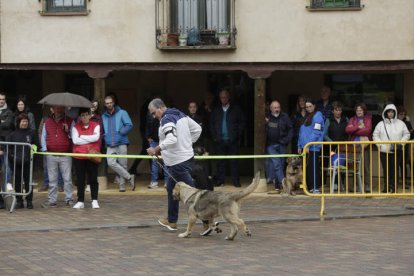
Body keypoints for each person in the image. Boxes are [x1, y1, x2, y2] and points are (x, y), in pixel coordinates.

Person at [146, 98, 201, 231]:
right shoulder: (181, 114)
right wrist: (187, 143)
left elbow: (171, 138)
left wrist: (156, 149)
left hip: (177, 162)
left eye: (154, 113)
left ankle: (208, 221)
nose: (153, 116)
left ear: (160, 108)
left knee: (192, 194)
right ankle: (172, 221)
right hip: (185, 158)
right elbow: (198, 129)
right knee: (171, 189)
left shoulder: (166, 119)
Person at [210, 88, 245, 187]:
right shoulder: (216, 109)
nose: (223, 99)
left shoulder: (236, 109)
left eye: (225, 97)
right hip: (220, 140)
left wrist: (237, 134)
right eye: (221, 97)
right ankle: (220, 180)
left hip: (232, 140)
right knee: (220, 162)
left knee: (234, 162)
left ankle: (235, 181)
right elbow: (211, 124)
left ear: (228, 97)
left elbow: (242, 122)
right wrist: (215, 136)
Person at [41, 105, 74, 208]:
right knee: (52, 179)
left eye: (61, 108)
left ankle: (69, 199)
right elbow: (43, 137)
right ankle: (52, 200)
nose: (59, 110)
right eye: (57, 108)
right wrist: (45, 150)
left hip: (65, 154)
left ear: (64, 109)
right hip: (51, 154)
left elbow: (74, 137)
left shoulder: (70, 121)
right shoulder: (47, 122)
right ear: (53, 109)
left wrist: (68, 130)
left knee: (67, 179)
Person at [373, 104, 410, 193]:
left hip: (397, 150)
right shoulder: (380, 124)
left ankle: (394, 188)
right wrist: (380, 145)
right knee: (386, 170)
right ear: (385, 113)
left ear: (395, 113)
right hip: (384, 151)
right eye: (388, 112)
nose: (390, 113)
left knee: (395, 169)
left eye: (392, 112)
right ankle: (386, 187)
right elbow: (375, 135)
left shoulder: (401, 123)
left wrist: (401, 144)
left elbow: (407, 134)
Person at [102, 94, 135, 192]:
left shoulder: (122, 112)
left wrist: (121, 132)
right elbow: (103, 129)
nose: (109, 105)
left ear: (114, 103)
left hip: (121, 142)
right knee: (111, 163)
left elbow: (129, 125)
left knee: (123, 164)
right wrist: (105, 136)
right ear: (105, 104)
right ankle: (129, 177)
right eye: (107, 103)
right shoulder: (103, 116)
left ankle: (122, 186)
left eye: (110, 103)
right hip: (110, 143)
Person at [71, 108, 102, 209]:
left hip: (92, 156)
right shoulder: (75, 127)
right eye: (82, 115)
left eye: (86, 115)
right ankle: (80, 201)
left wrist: (82, 136)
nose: (84, 117)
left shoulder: (96, 125)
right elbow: (75, 141)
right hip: (79, 156)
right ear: (80, 117)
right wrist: (89, 138)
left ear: (90, 115)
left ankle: (94, 200)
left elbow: (96, 138)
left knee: (93, 178)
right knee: (80, 179)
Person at [6, 113, 36, 209]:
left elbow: (36, 145)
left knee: (28, 182)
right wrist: (12, 156)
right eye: (23, 121)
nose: (24, 123)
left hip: (28, 162)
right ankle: (19, 201)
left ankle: (29, 201)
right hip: (16, 162)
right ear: (19, 122)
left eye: (26, 121)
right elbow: (8, 148)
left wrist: (32, 152)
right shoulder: (12, 135)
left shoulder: (31, 133)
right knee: (18, 182)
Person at [265, 100, 293, 193]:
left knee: (280, 164)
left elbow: (290, 129)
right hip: (271, 144)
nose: (277, 109)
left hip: (282, 144)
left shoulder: (285, 116)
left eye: (278, 107)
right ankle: (284, 184)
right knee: (276, 164)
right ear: (271, 108)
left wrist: (287, 140)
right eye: (275, 108)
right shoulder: (267, 117)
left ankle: (277, 185)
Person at [297, 98, 324, 194]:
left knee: (313, 168)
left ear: (314, 106)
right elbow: (301, 132)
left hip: (313, 147)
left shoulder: (318, 116)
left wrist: (308, 145)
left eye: (310, 106)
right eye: (307, 107)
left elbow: (316, 133)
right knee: (308, 169)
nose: (308, 108)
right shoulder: (307, 117)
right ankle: (310, 187)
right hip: (306, 147)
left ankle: (315, 187)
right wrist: (300, 145)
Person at [345, 102, 373, 192]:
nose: (359, 111)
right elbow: (347, 130)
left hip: (365, 146)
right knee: (355, 167)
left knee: (366, 166)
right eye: (357, 110)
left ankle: (367, 186)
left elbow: (367, 131)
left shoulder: (368, 119)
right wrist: (358, 127)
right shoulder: (352, 119)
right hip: (354, 147)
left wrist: (354, 130)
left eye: (360, 110)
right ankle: (356, 186)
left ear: (364, 111)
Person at [38, 107, 64, 192]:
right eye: (54, 108)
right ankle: (46, 184)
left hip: (59, 148)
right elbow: (40, 132)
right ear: (51, 109)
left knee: (60, 167)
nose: (56, 110)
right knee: (46, 167)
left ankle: (60, 184)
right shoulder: (45, 119)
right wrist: (43, 146)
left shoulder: (64, 119)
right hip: (47, 148)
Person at [146, 112, 168, 189]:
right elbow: (148, 126)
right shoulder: (151, 116)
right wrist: (148, 136)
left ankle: (167, 182)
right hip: (154, 141)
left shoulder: (166, 116)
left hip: (164, 141)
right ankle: (154, 182)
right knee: (154, 162)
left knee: (166, 161)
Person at [0, 92, 14, 209]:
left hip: (5, 146)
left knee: (6, 168)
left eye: (3, 99)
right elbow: (3, 125)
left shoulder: (9, 112)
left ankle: (5, 195)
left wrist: (4, 123)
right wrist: (2, 122)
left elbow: (8, 125)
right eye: (0, 99)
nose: (1, 101)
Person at [397, 106, 414, 186]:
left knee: (403, 164)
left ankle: (404, 181)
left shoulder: (407, 122)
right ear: (397, 114)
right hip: (396, 146)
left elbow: (412, 134)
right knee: (396, 165)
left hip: (405, 146)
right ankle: (396, 181)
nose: (402, 116)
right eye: (400, 114)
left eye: (404, 114)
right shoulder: (394, 122)